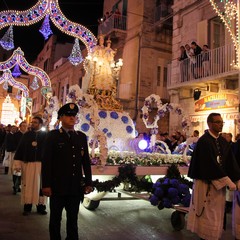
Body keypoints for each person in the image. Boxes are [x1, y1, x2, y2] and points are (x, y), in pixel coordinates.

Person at [42, 103, 93, 240]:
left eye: (74, 115)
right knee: (55, 220)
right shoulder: (53, 136)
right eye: (69, 115)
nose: (72, 118)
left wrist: (88, 182)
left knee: (73, 221)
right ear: (61, 117)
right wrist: (46, 185)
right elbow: (47, 163)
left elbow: (86, 162)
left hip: (75, 188)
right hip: (57, 187)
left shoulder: (81, 137)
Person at [187, 113, 240, 240]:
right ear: (209, 124)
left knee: (216, 216)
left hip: (219, 187)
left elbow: (229, 161)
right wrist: (227, 180)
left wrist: (236, 178)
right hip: (206, 185)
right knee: (207, 216)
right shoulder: (204, 141)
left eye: (222, 122)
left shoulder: (222, 141)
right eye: (217, 122)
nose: (221, 124)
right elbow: (209, 164)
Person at [13, 116, 48, 216]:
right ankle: (27, 207)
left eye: (35, 122)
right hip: (28, 164)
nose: (33, 124)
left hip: (41, 165)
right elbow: (20, 149)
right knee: (27, 185)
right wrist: (18, 163)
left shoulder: (46, 136)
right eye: (32, 122)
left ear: (40, 124)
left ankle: (40, 207)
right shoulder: (27, 135)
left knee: (41, 186)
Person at [12, 121, 28, 194]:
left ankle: (19, 185)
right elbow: (13, 145)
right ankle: (15, 186)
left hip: (26, 157)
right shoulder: (16, 135)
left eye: (26, 126)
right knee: (16, 172)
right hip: (18, 156)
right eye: (23, 126)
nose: (25, 127)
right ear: (20, 127)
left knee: (23, 173)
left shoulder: (28, 135)